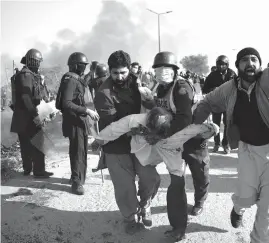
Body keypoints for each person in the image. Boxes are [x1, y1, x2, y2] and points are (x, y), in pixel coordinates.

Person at [192, 5, 269, 243]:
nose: (250, 63)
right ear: (238, 66)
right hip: (248, 152)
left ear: (260, 64)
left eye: (254, 59)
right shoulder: (229, 88)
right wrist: (195, 127)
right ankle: (238, 210)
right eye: (245, 60)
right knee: (244, 196)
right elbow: (207, 102)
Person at [93, 50, 160, 235]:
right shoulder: (103, 93)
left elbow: (150, 107)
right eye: (115, 73)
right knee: (124, 187)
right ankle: (130, 216)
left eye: (123, 72)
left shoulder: (138, 83)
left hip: (140, 142)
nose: (120, 77)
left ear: (129, 69)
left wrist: (149, 102)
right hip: (116, 144)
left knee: (151, 178)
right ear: (109, 71)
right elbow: (113, 126)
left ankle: (145, 204)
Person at [149, 51, 210, 241]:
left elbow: (185, 119)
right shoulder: (158, 87)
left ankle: (200, 200)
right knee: (176, 182)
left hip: (193, 138)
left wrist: (160, 133)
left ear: (175, 71)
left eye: (166, 69)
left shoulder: (182, 88)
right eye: (158, 70)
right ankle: (178, 226)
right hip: (173, 141)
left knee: (200, 173)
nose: (162, 73)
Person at [91, 107, 218, 179]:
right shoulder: (135, 120)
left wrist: (211, 130)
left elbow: (203, 128)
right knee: (150, 180)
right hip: (143, 153)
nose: (153, 134)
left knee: (177, 174)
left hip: (168, 148)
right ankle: (146, 204)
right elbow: (114, 129)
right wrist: (99, 140)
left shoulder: (179, 130)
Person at [56, 52, 100, 195]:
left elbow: (83, 82)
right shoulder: (70, 80)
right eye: (83, 66)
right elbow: (66, 103)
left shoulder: (73, 78)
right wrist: (86, 110)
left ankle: (78, 178)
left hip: (78, 121)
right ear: (75, 65)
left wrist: (92, 71)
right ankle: (76, 182)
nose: (83, 68)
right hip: (74, 121)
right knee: (77, 152)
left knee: (80, 151)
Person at [10, 48, 53, 178]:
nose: (40, 64)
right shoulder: (26, 75)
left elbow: (39, 95)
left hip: (22, 116)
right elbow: (26, 97)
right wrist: (35, 115)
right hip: (27, 115)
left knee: (26, 144)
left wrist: (42, 82)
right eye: (38, 61)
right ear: (33, 61)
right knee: (38, 142)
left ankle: (27, 169)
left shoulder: (29, 75)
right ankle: (38, 171)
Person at [202, 55, 236, 153]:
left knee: (227, 124)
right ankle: (216, 144)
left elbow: (238, 88)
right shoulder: (212, 75)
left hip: (228, 104)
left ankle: (226, 144)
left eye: (223, 64)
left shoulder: (232, 74)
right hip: (216, 104)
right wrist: (212, 90)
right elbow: (205, 89)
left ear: (227, 65)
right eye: (219, 64)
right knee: (215, 125)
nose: (220, 66)